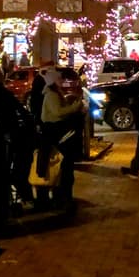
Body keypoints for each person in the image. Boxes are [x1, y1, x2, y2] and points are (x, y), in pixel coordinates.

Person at [0, 67, 37, 206]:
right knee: (11, 168)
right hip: (10, 134)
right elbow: (21, 111)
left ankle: (0, 199)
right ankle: (20, 197)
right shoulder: (6, 94)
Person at [37, 65, 86, 213]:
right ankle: (62, 198)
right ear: (53, 81)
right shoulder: (51, 95)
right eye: (58, 78)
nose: (61, 80)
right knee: (63, 167)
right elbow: (58, 112)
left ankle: (60, 197)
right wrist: (75, 107)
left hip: (55, 134)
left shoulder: (55, 93)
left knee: (62, 168)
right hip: (55, 134)